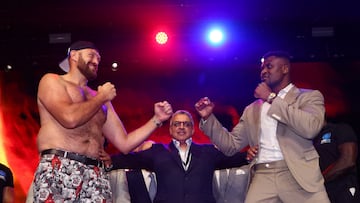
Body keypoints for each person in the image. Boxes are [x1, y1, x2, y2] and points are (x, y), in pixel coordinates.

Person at [33, 40, 173, 202]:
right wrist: (101, 97)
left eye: (99, 59)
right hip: (59, 166)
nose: (96, 61)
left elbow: (125, 144)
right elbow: (69, 119)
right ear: (74, 56)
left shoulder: (100, 98)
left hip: (95, 172)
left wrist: (156, 119)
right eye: (91, 55)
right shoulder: (53, 81)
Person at [195, 50, 330, 203]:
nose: (264, 71)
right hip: (263, 174)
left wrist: (271, 98)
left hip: (297, 173)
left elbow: (310, 128)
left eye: (269, 66)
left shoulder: (308, 97)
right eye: (262, 68)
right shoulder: (252, 109)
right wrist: (208, 118)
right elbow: (231, 145)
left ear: (285, 68)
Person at [111, 110, 248, 203]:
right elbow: (131, 159)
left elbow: (234, 158)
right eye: (177, 124)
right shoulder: (158, 151)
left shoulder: (208, 152)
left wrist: (249, 155)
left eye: (186, 124)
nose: (181, 127)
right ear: (170, 129)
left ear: (193, 129)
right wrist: (109, 160)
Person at [313, 121, 360, 202]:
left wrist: (322, 179)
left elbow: (348, 161)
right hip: (322, 191)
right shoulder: (309, 138)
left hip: (342, 189)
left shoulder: (339, 129)